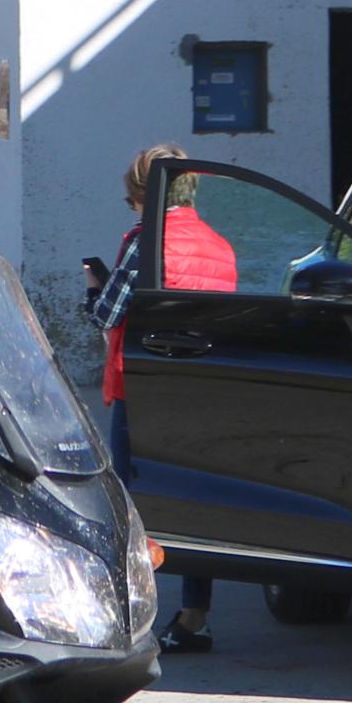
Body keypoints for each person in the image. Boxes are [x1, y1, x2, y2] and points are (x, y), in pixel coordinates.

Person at [90, 145, 232, 652]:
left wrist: (95, 289)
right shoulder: (220, 245)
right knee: (194, 502)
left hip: (143, 385)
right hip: (202, 390)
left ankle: (125, 614)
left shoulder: (147, 240)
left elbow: (108, 314)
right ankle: (195, 618)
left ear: (144, 196)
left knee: (127, 502)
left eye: (133, 199)